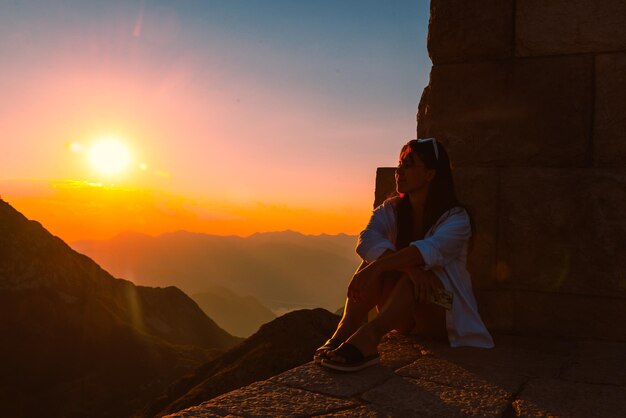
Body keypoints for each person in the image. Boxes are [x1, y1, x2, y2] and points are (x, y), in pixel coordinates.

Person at [315, 138, 494, 372]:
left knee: (391, 268)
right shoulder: (391, 209)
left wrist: (384, 267)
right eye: (399, 164)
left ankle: (369, 337)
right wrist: (403, 268)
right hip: (401, 313)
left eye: (408, 165)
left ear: (430, 174)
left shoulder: (456, 219)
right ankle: (343, 332)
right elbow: (367, 240)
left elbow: (428, 251)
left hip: (443, 307)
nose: (399, 171)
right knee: (377, 263)